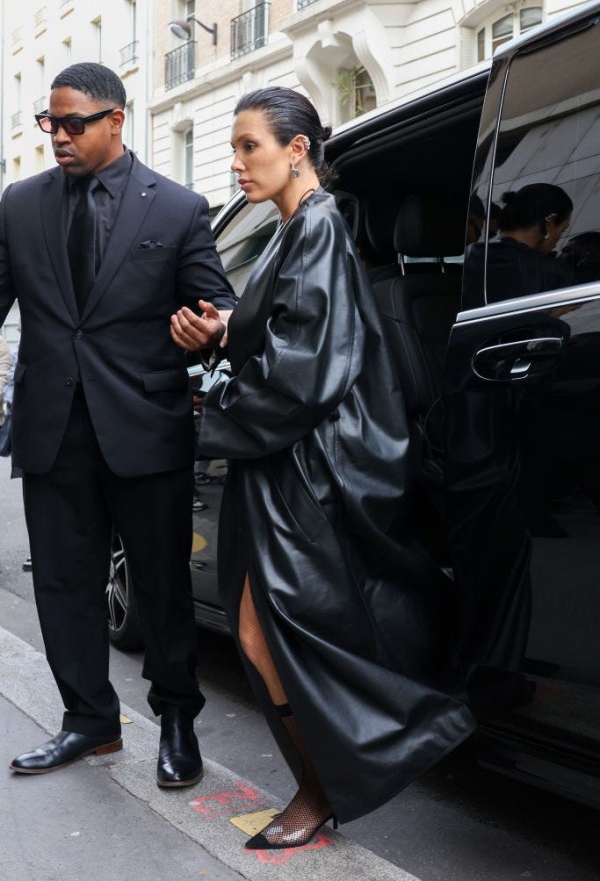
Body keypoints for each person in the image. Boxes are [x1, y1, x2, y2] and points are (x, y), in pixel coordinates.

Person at [171, 86, 475, 850]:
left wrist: (211, 395)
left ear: (296, 148)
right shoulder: (293, 231)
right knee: (259, 632)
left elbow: (302, 374)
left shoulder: (319, 228)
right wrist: (224, 336)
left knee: (272, 633)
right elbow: (287, 342)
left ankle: (322, 787)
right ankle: (324, 783)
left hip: (303, 469)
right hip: (281, 465)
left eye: (250, 146)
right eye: (234, 148)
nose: (237, 162)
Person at [0, 63, 237, 783]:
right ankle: (90, 722)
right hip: (52, 427)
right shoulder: (19, 203)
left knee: (163, 585)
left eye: (73, 123)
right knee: (65, 585)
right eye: (51, 123)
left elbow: (215, 301)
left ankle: (176, 723)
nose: (59, 136)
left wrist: (213, 325)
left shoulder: (176, 207)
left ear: (116, 120)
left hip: (145, 426)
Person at [462, 183, 574, 308]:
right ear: (550, 222)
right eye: (563, 230)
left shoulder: (468, 258)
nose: (558, 240)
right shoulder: (551, 274)